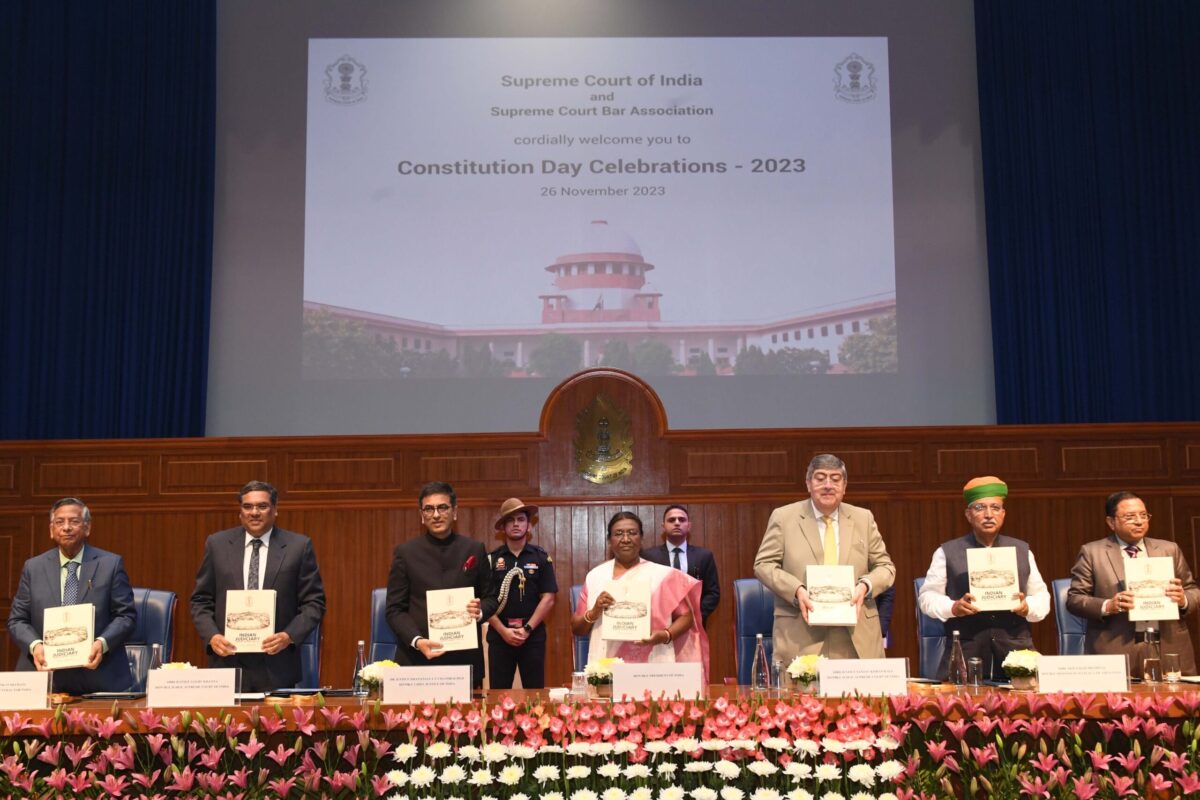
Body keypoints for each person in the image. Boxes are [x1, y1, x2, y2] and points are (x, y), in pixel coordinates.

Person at [753, 453, 895, 664]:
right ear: (808, 483)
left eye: (835, 479)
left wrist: (865, 585)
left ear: (844, 486)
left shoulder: (863, 518)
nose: (828, 485)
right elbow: (763, 565)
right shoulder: (784, 517)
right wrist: (796, 589)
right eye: (820, 478)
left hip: (855, 636)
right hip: (802, 634)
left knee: (860, 697)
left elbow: (886, 567)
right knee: (802, 698)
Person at [190, 481, 326, 692]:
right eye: (248, 506)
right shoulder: (217, 544)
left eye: (262, 506)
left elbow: (314, 603)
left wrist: (288, 636)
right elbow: (201, 600)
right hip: (227, 663)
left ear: (275, 510)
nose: (254, 512)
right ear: (240, 512)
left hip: (277, 666)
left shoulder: (298, 547)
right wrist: (212, 636)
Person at [917, 476, 1050, 680]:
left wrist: (1027, 607)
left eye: (995, 508)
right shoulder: (947, 552)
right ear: (968, 514)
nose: (989, 514)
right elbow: (927, 598)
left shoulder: (1023, 550)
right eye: (980, 507)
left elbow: (1041, 597)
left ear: (1003, 514)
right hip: (966, 653)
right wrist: (953, 607)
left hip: (1017, 655)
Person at [7, 497, 136, 694]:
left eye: (74, 521)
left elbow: (126, 616)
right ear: (51, 530)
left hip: (99, 678)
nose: (66, 527)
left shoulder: (110, 565)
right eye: (60, 522)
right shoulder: (33, 568)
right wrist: (35, 646)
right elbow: (17, 620)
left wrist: (102, 643)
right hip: (45, 678)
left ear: (87, 528)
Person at [1067, 490, 1199, 676]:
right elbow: (1074, 599)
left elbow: (1192, 589)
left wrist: (1183, 599)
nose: (1139, 521)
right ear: (1111, 522)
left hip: (1170, 646)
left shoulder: (1169, 549)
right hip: (1117, 647)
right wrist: (1108, 605)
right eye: (1130, 517)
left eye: (1143, 515)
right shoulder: (1092, 552)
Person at [572, 511, 709, 682]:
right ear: (609, 540)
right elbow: (577, 628)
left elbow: (686, 617)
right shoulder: (595, 576)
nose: (626, 539)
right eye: (618, 534)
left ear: (641, 538)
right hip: (607, 667)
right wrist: (594, 611)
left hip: (653, 663)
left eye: (632, 533)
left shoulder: (661, 575)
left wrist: (665, 635)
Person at [386, 481, 497, 688]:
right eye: (429, 509)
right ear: (422, 515)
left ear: (454, 512)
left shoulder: (474, 549)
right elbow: (394, 609)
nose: (436, 515)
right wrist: (417, 641)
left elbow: (491, 598)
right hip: (417, 661)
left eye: (442, 507)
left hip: (465, 663)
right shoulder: (405, 553)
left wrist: (480, 612)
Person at [485, 498, 557, 689]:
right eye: (510, 520)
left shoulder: (541, 557)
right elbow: (485, 602)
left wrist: (527, 630)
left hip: (532, 636)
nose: (516, 524)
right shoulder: (492, 559)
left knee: (535, 696)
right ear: (503, 527)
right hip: (500, 636)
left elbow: (548, 598)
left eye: (521, 519)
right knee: (498, 696)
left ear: (529, 525)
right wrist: (503, 631)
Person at [641, 504, 720, 624]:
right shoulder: (649, 556)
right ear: (663, 526)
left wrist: (695, 616)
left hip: (694, 624)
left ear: (689, 526)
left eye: (682, 520)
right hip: (660, 624)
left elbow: (712, 593)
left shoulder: (704, 556)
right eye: (671, 520)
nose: (677, 523)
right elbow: (644, 591)